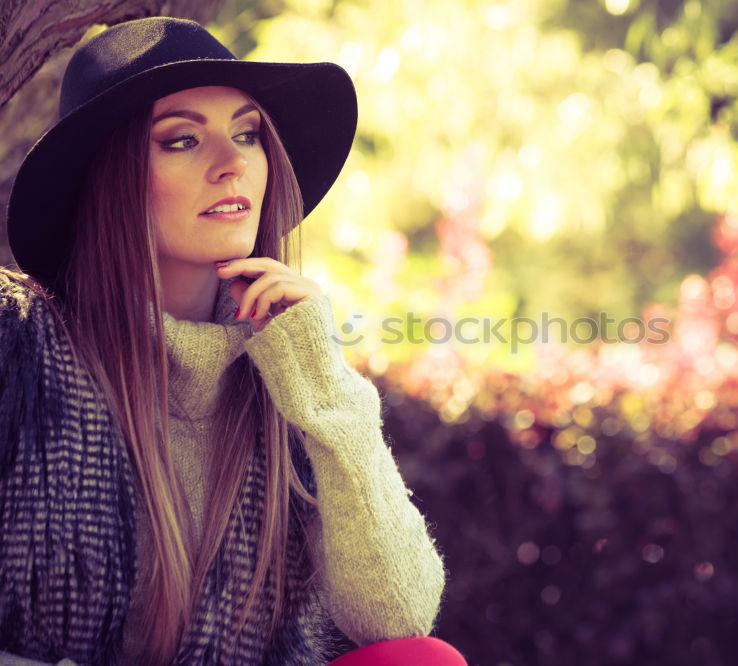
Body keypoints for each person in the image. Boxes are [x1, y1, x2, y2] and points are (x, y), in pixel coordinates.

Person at [0, 16, 466, 666]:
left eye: (247, 134)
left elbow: (398, 613)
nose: (232, 164)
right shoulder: (19, 345)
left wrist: (325, 382)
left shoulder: (284, 368)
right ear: (110, 175)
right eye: (182, 140)